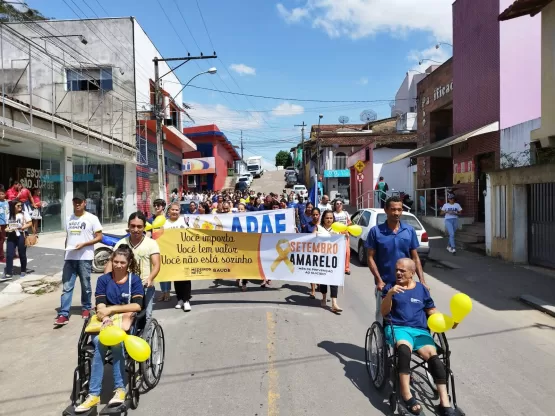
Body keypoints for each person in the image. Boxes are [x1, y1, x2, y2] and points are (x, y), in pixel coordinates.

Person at [381, 258, 456, 416]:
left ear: (412, 273)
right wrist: (390, 295)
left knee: (434, 357)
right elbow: (384, 312)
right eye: (397, 270)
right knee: (403, 349)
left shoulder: (421, 289)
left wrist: (447, 322)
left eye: (402, 270)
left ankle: (444, 402)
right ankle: (407, 395)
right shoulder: (390, 287)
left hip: (420, 331)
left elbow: (431, 311)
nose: (398, 273)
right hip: (399, 328)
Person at [74, 245, 144, 413]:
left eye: (122, 262)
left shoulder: (134, 280)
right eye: (115, 261)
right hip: (105, 323)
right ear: (111, 261)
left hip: (125, 326)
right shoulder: (104, 280)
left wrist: (112, 310)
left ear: (128, 263)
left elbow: (137, 305)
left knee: (117, 343)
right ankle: (94, 394)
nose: (118, 265)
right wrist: (105, 317)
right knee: (99, 342)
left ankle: (120, 389)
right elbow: (100, 303)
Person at [365, 196, 427, 323]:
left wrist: (422, 281)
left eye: (399, 209)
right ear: (386, 210)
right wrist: (379, 280)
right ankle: (382, 342)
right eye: (393, 209)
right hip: (385, 284)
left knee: (405, 316)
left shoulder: (409, 230)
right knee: (383, 316)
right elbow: (370, 258)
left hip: (406, 283)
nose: (397, 213)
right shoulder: (376, 232)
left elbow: (415, 257)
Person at [55, 193, 103, 325]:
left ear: (84, 203)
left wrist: (84, 244)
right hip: (70, 257)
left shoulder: (92, 218)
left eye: (80, 202)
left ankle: (87, 307)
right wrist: (65, 254)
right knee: (67, 286)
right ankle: (63, 314)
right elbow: (68, 237)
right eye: (75, 201)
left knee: (86, 285)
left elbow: (99, 237)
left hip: (84, 257)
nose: (77, 204)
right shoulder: (68, 218)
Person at [105, 212, 160, 321]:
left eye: (139, 226)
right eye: (133, 226)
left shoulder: (151, 244)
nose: (136, 229)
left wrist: (150, 279)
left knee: (146, 317)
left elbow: (157, 264)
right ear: (128, 226)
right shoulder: (120, 244)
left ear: (144, 227)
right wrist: (106, 281)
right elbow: (111, 263)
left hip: (145, 287)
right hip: (124, 287)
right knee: (123, 317)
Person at [164, 203, 191, 311]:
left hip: (184, 254)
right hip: (171, 255)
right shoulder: (165, 224)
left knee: (185, 278)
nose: (175, 212)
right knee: (176, 278)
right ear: (169, 211)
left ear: (179, 211)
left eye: (177, 210)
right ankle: (179, 299)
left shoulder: (184, 221)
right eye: (173, 210)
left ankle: (187, 301)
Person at [316, 210, 343, 313]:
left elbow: (341, 241)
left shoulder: (337, 229)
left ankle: (334, 303)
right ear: (323, 218)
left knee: (334, 280)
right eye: (327, 218)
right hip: (322, 258)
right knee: (324, 280)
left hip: (334, 258)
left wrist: (344, 236)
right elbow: (312, 238)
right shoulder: (319, 228)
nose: (329, 220)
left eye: (331, 218)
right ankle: (323, 297)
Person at [1, 200, 32, 281]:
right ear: (13, 206)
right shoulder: (9, 215)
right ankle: (8, 272)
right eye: (18, 206)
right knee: (9, 254)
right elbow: (8, 226)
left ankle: (23, 270)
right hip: (11, 235)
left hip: (21, 234)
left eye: (20, 205)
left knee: (22, 253)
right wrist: (7, 229)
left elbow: (30, 223)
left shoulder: (24, 213)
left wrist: (21, 227)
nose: (20, 207)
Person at [151, 199, 170, 301]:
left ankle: (167, 293)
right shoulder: (153, 219)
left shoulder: (167, 219)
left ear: (163, 207)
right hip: (156, 247)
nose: (156, 207)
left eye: (158, 205)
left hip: (166, 247)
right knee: (160, 270)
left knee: (166, 270)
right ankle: (163, 292)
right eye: (155, 205)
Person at [303, 207, 321, 299]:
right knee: (311, 271)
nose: (315, 216)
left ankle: (319, 284)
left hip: (322, 252)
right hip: (310, 251)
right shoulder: (307, 225)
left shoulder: (323, 225)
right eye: (313, 214)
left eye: (316, 214)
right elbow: (303, 238)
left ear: (319, 215)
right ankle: (313, 290)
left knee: (319, 271)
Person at [333, 199, 351, 275]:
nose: (339, 205)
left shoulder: (346, 213)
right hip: (336, 235)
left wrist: (348, 230)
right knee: (337, 252)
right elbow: (332, 225)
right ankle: (338, 267)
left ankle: (346, 269)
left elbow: (349, 223)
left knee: (347, 252)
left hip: (345, 235)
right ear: (335, 205)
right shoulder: (333, 214)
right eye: (337, 203)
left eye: (340, 203)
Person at [0, 189, 8, 264]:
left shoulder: (6, 202)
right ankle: (1, 257)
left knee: (3, 239)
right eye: (0, 194)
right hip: (0, 224)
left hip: (5, 223)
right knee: (1, 240)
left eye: (3, 194)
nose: (2, 195)